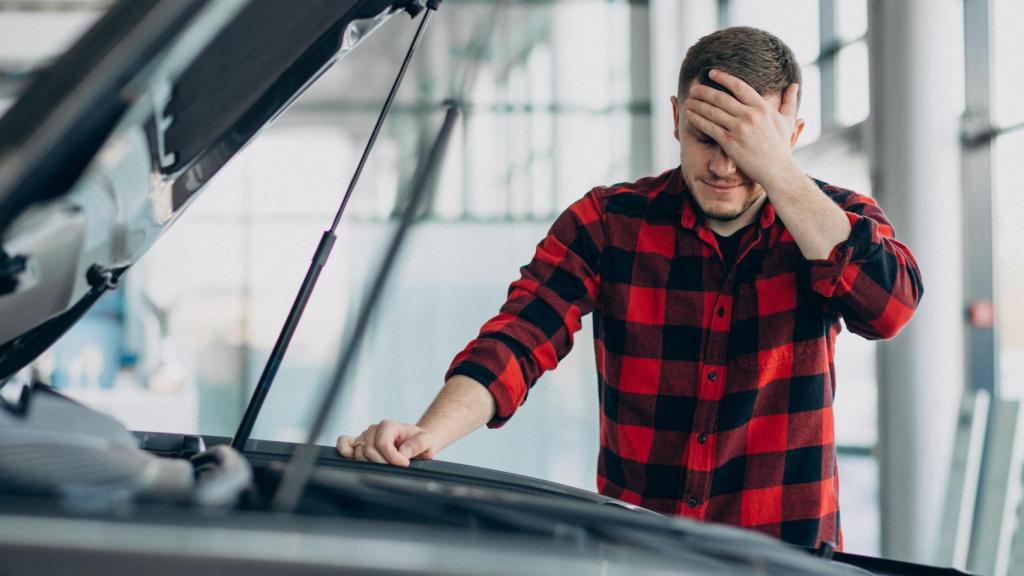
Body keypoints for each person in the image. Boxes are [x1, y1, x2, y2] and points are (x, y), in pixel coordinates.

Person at [336, 26, 923, 549]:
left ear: (788, 136)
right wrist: (426, 434)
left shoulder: (834, 221)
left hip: (786, 560)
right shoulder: (608, 222)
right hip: (639, 553)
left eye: (745, 146)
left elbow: (890, 308)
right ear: (674, 117)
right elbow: (520, 336)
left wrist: (781, 172)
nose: (722, 167)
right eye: (704, 138)